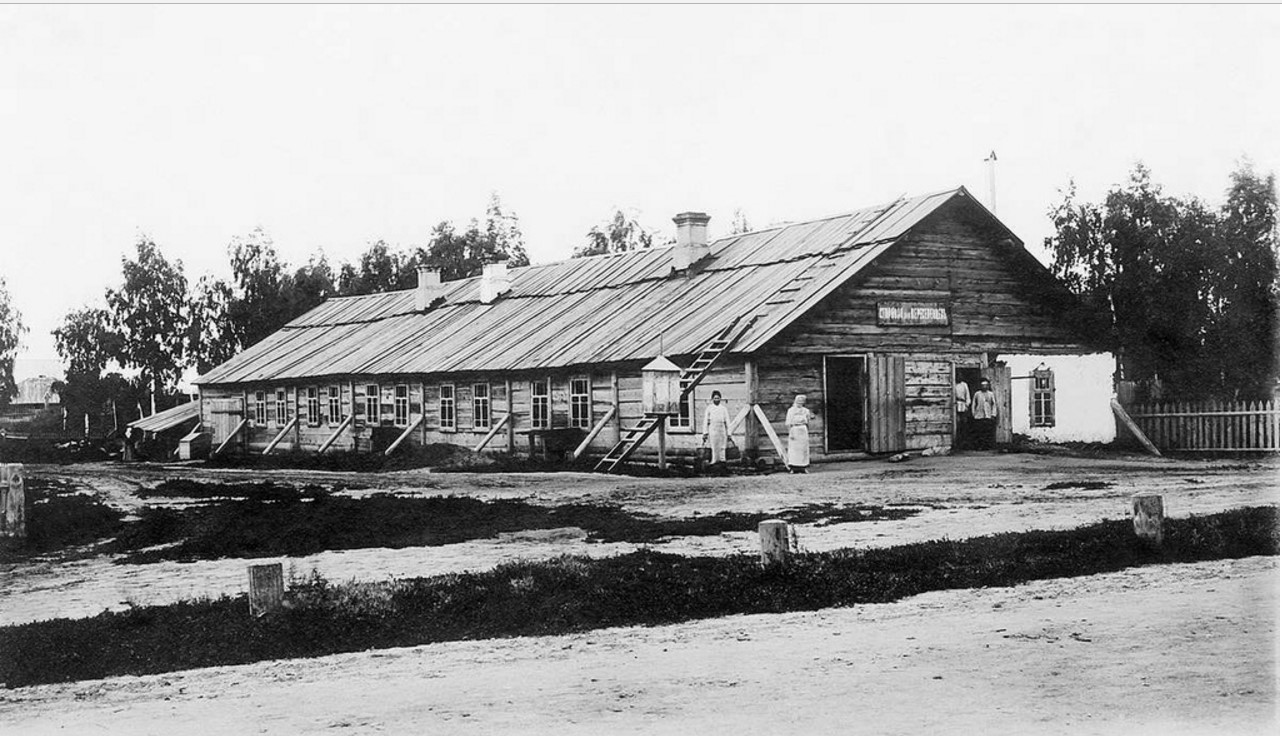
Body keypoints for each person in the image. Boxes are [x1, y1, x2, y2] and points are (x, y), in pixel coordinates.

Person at [701, 390, 731, 471]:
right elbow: (705, 421)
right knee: (714, 445)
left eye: (718, 398)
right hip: (713, 428)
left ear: (720, 399)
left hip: (721, 428)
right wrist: (705, 432)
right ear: (712, 399)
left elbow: (727, 421)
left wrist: (729, 433)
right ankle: (714, 461)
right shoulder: (709, 408)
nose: (717, 400)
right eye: (715, 398)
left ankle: (722, 461)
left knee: (722, 446)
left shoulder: (723, 409)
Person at [786, 394, 814, 473]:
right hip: (794, 429)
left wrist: (807, 430)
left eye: (801, 401)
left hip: (803, 430)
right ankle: (793, 467)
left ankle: (804, 467)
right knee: (794, 449)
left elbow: (808, 421)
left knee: (803, 449)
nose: (800, 403)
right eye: (798, 401)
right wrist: (790, 433)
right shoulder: (791, 410)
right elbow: (788, 422)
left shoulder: (806, 411)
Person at [971, 379, 998, 450]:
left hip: (988, 415)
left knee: (987, 431)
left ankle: (987, 446)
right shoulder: (977, 394)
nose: (984, 387)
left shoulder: (990, 394)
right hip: (979, 416)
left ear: (988, 386)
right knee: (979, 431)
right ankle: (979, 446)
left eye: (986, 385)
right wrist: (973, 414)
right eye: (983, 385)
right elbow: (973, 404)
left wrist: (993, 414)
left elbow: (994, 404)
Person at [953, 377, 972, 450]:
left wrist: (967, 404)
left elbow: (968, 395)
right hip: (956, 404)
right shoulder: (953, 384)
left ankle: (964, 442)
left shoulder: (964, 384)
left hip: (963, 404)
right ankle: (956, 442)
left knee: (964, 423)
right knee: (957, 423)